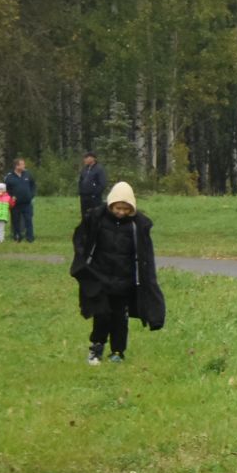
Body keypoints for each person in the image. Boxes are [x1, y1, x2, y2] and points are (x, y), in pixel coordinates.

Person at [69, 182, 166, 365]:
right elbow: (81, 239)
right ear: (111, 205)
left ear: (132, 208)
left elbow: (144, 256)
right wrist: (84, 266)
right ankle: (96, 347)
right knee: (102, 314)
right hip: (100, 278)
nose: (121, 212)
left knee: (120, 318)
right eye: (118, 208)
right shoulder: (97, 219)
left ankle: (118, 352)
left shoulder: (138, 226)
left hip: (125, 281)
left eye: (125, 209)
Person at [5, 158, 36, 243]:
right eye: (22, 164)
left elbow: (33, 185)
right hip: (15, 204)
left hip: (27, 203)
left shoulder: (28, 174)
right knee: (16, 221)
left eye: (23, 164)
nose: (24, 166)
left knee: (28, 220)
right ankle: (17, 237)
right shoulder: (9, 176)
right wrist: (11, 197)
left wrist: (31, 195)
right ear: (16, 166)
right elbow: (6, 189)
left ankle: (30, 238)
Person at [77, 153, 109, 218]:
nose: (84, 159)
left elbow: (102, 183)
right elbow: (81, 180)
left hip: (94, 198)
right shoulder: (84, 169)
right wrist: (81, 191)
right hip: (84, 197)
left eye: (86, 158)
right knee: (85, 214)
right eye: (84, 158)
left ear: (93, 158)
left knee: (95, 214)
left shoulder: (99, 169)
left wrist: (95, 194)